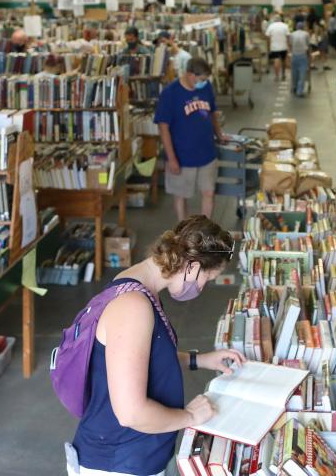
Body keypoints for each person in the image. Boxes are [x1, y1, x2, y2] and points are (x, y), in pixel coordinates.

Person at [67, 215, 245, 476]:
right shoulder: (133, 307)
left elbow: (138, 359)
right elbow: (131, 413)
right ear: (193, 267)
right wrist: (190, 418)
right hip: (117, 463)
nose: (203, 287)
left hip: (128, 455)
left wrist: (200, 360)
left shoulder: (135, 284)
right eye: (208, 278)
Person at [154, 57, 225, 223]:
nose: (204, 83)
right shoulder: (170, 93)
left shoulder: (206, 87)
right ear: (190, 74)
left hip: (207, 152)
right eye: (201, 79)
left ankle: (205, 230)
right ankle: (183, 231)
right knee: (181, 195)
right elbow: (163, 128)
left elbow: (212, 113)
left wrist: (219, 134)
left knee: (209, 192)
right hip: (182, 155)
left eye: (206, 80)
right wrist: (172, 159)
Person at [265, 14, 290, 80]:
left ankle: (276, 76)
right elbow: (288, 37)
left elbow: (267, 37)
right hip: (283, 46)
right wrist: (288, 46)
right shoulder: (285, 26)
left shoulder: (271, 26)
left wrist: (268, 46)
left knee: (276, 60)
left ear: (274, 19)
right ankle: (283, 74)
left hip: (274, 47)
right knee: (283, 60)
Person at [289, 21, 310, 97]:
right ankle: (299, 91)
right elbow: (308, 45)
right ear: (303, 27)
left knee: (294, 74)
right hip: (303, 56)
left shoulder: (292, 34)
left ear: (296, 27)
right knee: (302, 74)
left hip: (294, 55)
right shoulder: (306, 34)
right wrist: (309, 56)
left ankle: (294, 87)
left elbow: (290, 45)